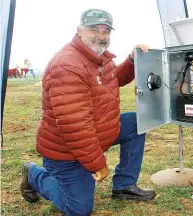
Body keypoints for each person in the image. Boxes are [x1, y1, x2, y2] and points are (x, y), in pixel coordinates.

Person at [20, 8, 155, 216]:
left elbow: (113, 78)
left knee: (137, 122)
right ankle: (34, 175)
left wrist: (131, 60)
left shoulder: (98, 58)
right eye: (94, 29)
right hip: (67, 152)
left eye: (106, 31)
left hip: (95, 135)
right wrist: (98, 165)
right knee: (79, 209)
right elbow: (75, 127)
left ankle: (124, 186)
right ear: (79, 30)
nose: (101, 36)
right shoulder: (67, 65)